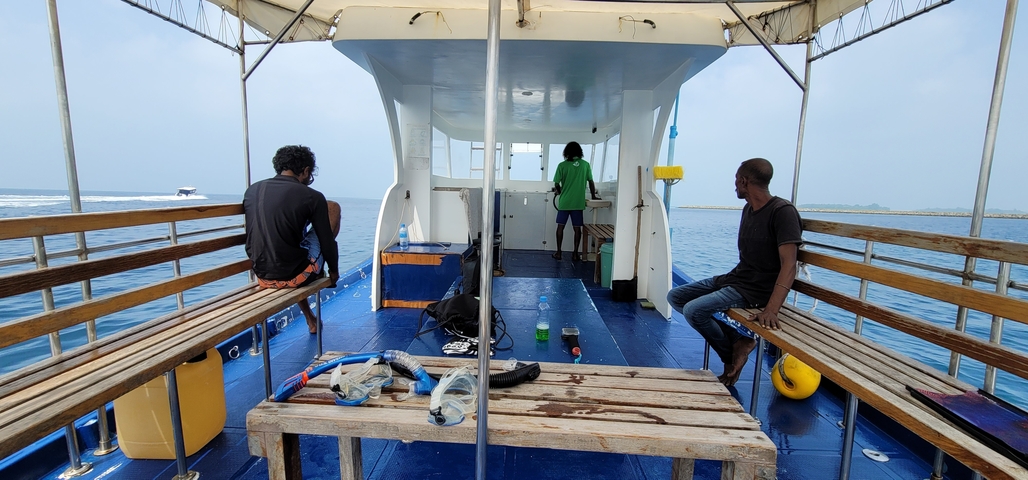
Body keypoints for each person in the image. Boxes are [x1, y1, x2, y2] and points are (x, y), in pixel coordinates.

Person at [667, 158, 802, 386]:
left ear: (743, 180)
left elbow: (790, 264)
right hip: (738, 278)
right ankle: (738, 340)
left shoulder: (782, 212)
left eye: (736, 181)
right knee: (676, 296)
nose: (735, 186)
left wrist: (771, 310)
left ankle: (729, 357)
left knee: (694, 310)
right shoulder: (749, 209)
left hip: (757, 289)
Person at [243, 145, 341, 334]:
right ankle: (317, 270)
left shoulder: (253, 190)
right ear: (305, 171)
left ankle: (310, 318)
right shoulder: (312, 196)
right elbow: (326, 240)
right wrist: (334, 272)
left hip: (262, 276)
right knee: (333, 208)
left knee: (290, 250)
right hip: (298, 276)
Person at [552, 141, 599, 261]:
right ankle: (575, 254)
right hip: (578, 203)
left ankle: (558, 252)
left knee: (560, 227)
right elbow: (591, 182)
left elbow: (556, 183)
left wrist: (559, 191)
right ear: (580, 152)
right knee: (577, 229)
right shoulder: (585, 165)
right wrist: (593, 196)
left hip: (565, 202)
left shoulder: (562, 165)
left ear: (566, 152)